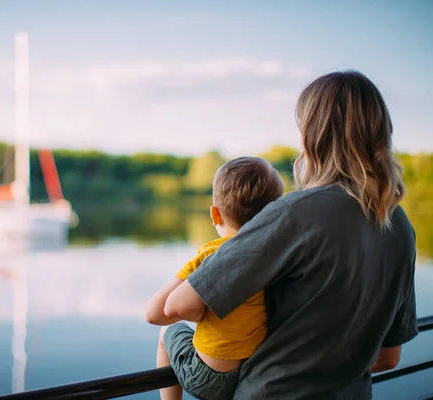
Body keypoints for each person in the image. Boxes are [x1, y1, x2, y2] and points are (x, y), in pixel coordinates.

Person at [164, 70, 418, 399]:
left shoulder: (294, 213)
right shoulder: (399, 225)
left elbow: (179, 305)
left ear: (314, 134)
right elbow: (388, 357)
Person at [146, 157, 285, 400]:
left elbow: (155, 313)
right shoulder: (276, 256)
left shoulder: (211, 254)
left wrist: (200, 313)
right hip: (252, 372)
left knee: (168, 331)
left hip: (208, 378)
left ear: (214, 214)